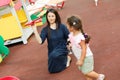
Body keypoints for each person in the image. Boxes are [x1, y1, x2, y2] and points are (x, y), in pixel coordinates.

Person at [32, 8, 71, 73]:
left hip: (62, 48)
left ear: (56, 17)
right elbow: (40, 41)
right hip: (52, 51)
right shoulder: (45, 29)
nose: (51, 18)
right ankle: (66, 58)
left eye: (52, 16)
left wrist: (69, 45)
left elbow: (69, 37)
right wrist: (35, 30)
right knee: (51, 70)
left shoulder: (62, 26)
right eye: (49, 16)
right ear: (47, 17)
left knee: (54, 56)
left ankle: (67, 58)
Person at [66, 15, 105, 80]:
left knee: (87, 71)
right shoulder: (73, 34)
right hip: (81, 57)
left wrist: (81, 60)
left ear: (72, 27)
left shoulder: (80, 38)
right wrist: (71, 45)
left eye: (67, 25)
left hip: (86, 57)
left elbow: (84, 49)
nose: (66, 27)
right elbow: (74, 42)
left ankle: (99, 76)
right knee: (85, 72)